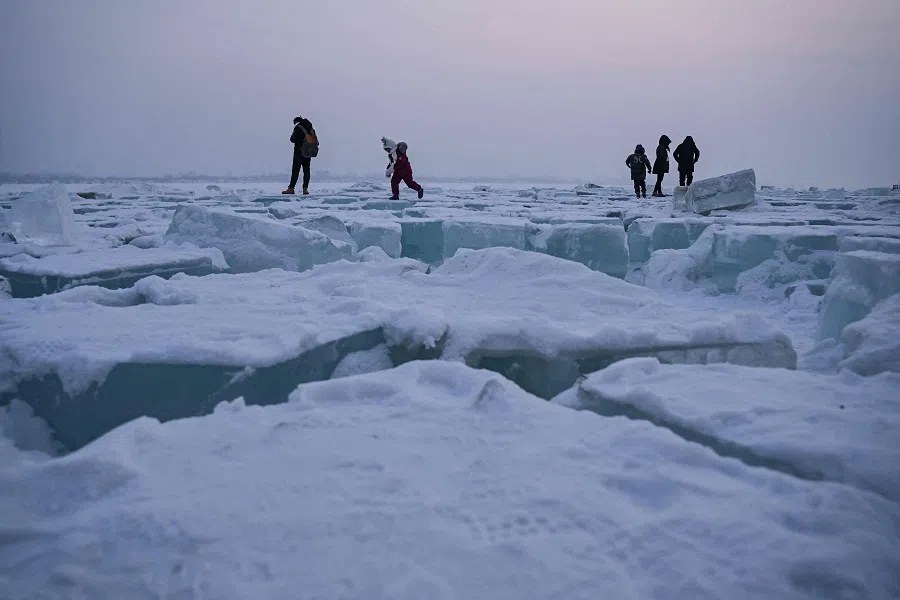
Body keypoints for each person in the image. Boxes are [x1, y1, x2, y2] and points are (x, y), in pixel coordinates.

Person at [282, 116, 316, 195]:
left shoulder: (298, 127)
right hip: (308, 152)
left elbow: (293, 139)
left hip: (299, 151)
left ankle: (291, 188)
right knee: (306, 170)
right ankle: (305, 189)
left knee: (295, 170)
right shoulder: (310, 128)